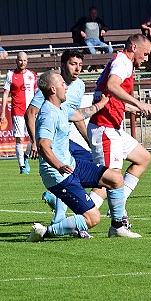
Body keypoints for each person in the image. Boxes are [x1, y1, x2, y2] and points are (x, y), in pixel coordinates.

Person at [25, 70, 129, 242]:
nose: (66, 87)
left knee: (115, 178)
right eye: (62, 85)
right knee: (93, 219)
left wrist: (102, 103)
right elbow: (43, 145)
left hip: (72, 165)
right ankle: (46, 232)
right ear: (52, 89)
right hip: (58, 175)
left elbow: (80, 114)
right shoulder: (47, 114)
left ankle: (118, 227)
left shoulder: (61, 108)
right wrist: (58, 165)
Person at [25, 49, 107, 228]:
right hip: (54, 141)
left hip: (65, 140)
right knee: (66, 172)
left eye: (80, 65)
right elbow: (30, 113)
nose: (77, 69)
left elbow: (75, 115)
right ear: (63, 66)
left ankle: (74, 207)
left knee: (96, 164)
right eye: (72, 64)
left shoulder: (79, 86)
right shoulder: (51, 85)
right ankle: (66, 216)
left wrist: (89, 141)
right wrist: (33, 142)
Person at [87, 34, 151, 238]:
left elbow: (109, 95)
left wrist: (128, 108)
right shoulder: (123, 62)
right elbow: (112, 86)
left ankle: (119, 204)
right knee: (109, 179)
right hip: (104, 128)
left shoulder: (123, 62)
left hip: (113, 128)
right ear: (134, 47)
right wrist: (137, 103)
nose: (146, 58)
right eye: (145, 53)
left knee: (143, 158)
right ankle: (111, 224)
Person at [0, 52, 37, 174]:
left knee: (34, 138)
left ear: (27, 61)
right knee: (19, 139)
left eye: (25, 60)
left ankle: (25, 156)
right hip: (17, 111)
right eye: (20, 60)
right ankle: (22, 166)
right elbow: (5, 94)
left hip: (31, 112)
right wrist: (2, 112)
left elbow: (37, 93)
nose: (22, 62)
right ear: (16, 61)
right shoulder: (10, 75)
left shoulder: (32, 75)